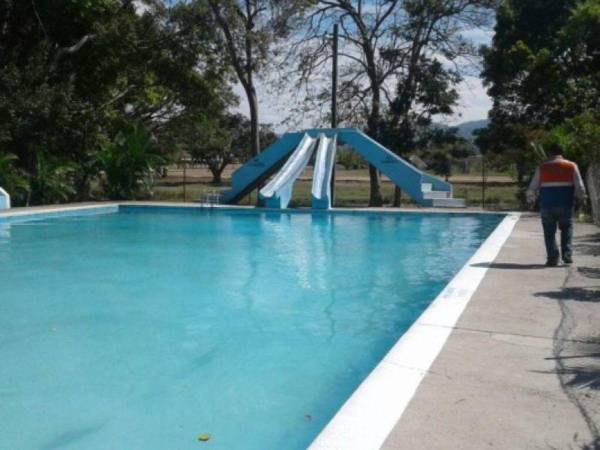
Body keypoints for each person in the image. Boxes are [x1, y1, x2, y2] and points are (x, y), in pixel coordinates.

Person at [527, 143, 587, 266]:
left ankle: (552, 259)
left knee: (549, 232)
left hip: (547, 205)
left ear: (550, 153)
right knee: (567, 229)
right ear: (561, 152)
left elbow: (532, 187)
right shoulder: (571, 165)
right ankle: (567, 255)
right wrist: (582, 199)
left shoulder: (542, 167)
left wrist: (531, 200)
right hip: (566, 204)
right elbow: (579, 186)